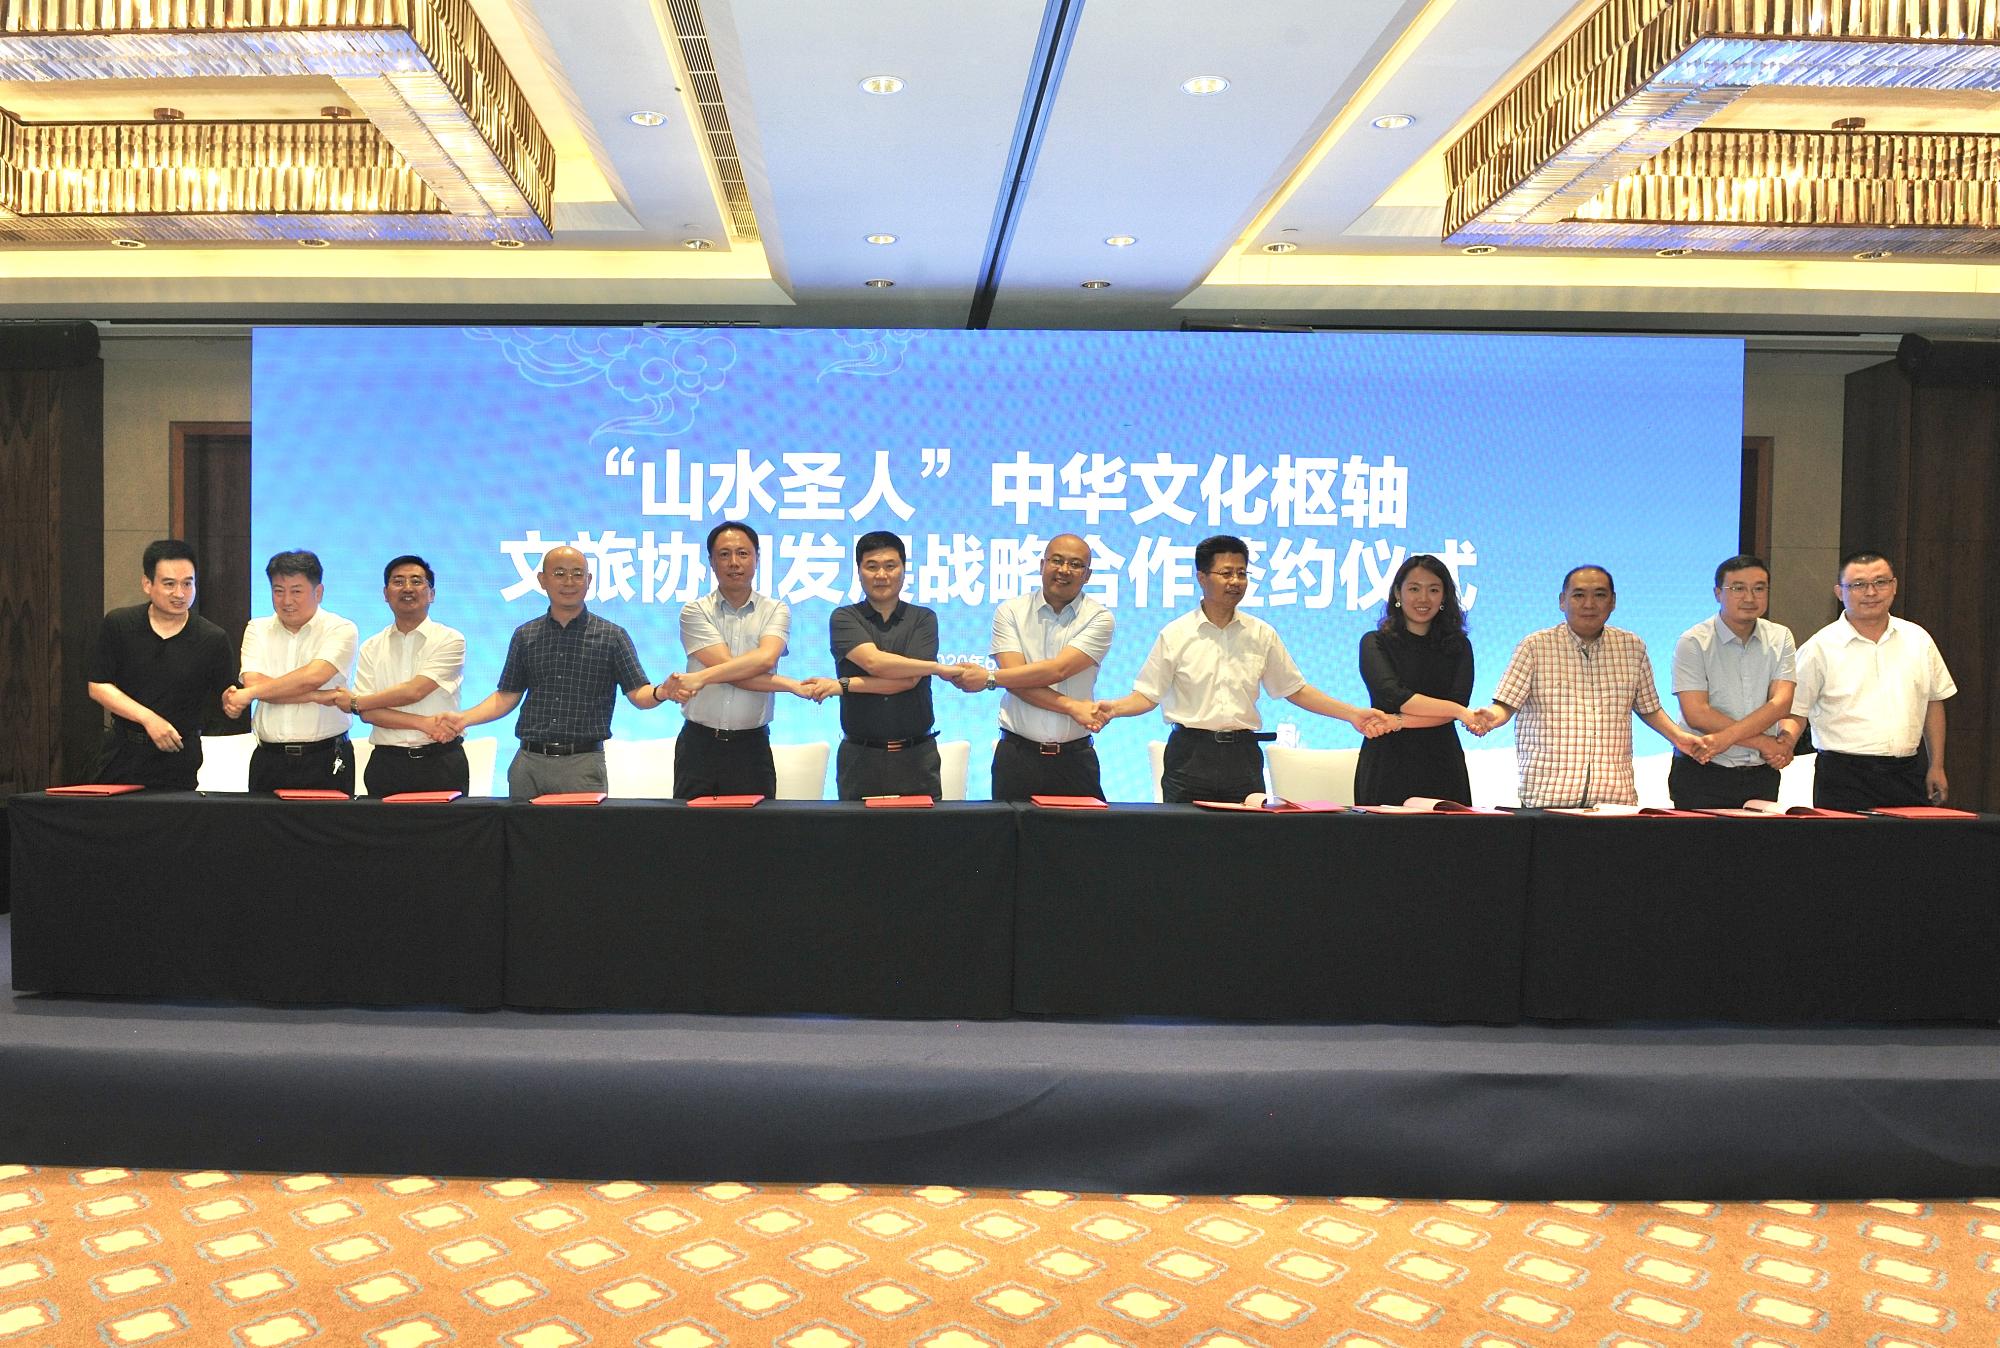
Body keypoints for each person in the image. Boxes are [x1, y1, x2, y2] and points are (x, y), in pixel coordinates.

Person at [1096, 534, 1394, 803]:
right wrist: (1113, 709)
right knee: (1184, 840)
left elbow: (1295, 690)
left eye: (1242, 573)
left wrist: (1352, 714)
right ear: (1202, 577)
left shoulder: (1261, 633)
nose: (1236, 581)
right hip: (1189, 755)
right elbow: (1147, 695)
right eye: (1226, 573)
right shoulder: (1176, 634)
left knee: (1246, 840)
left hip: (1242, 757)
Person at [1472, 564, 1711, 808]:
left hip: (1614, 799)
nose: (1589, 604)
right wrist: (1490, 718)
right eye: (1578, 595)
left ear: (1613, 601)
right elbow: (1506, 704)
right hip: (1548, 797)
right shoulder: (1534, 647)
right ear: (1562, 601)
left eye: (1599, 595)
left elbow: (1649, 708)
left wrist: (1678, 737)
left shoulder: (1632, 647)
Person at [444, 543, 665, 800]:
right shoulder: (525, 635)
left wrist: (662, 692)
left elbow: (639, 694)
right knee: (520, 828)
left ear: (589, 580)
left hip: (582, 765)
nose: (569, 581)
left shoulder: (612, 636)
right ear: (542, 580)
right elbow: (506, 696)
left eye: (577, 574)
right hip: (528, 763)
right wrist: (463, 719)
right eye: (559, 573)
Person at [803, 530, 968, 799]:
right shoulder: (844, 617)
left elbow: (909, 680)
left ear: (904, 569)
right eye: (872, 566)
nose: (882, 575)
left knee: (926, 828)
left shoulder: (923, 618)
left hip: (917, 756)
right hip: (860, 757)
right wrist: (937, 668)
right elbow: (875, 663)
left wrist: (843, 685)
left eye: (890, 566)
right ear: (859, 571)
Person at [1787, 551, 1955, 809]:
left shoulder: (1918, 639)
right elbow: (1795, 711)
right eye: (1858, 585)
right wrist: (1782, 748)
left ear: (1894, 586)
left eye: (1880, 582)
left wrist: (1937, 765)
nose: (1871, 592)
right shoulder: (1819, 648)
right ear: (1839, 592)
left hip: (1907, 772)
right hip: (1843, 775)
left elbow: (1933, 703)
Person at [660, 521, 815, 798]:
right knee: (689, 824)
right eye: (724, 554)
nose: (734, 562)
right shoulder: (695, 611)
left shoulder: (775, 610)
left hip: (751, 747)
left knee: (755, 826)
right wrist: (790, 684)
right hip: (698, 745)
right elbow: (729, 669)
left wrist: (700, 678)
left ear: (757, 558)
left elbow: (765, 659)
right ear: (711, 562)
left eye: (743, 553)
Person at [955, 533, 1115, 801]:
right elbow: (1016, 682)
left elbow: (1058, 670)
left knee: (1086, 830)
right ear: (1042, 565)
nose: (1064, 570)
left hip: (1075, 759)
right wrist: (1072, 707)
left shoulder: (1099, 617)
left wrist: (990, 678)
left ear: (1087, 575)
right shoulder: (1011, 611)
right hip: (1017, 757)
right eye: (1057, 560)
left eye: (1076, 564)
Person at [85, 539, 239, 790]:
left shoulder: (213, 638)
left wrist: (234, 699)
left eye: (187, 583)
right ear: (147, 584)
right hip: (123, 751)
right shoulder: (120, 624)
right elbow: (98, 686)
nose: (180, 593)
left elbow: (226, 696)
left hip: (178, 755)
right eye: (169, 584)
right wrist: (149, 719)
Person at [1667, 554, 1798, 809]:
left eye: (1759, 588)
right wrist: (1763, 743)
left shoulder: (1780, 637)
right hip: (1702, 770)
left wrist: (1724, 738)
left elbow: (1781, 702)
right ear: (1717, 593)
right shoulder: (1693, 642)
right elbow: (1697, 714)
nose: (1749, 598)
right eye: (1738, 588)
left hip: (1761, 773)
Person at [226, 549, 360, 794]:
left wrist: (251, 694)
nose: (286, 600)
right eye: (278, 591)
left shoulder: (341, 629)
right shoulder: (257, 629)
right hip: (269, 759)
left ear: (318, 592)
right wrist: (318, 696)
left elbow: (313, 677)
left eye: (296, 591)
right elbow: (254, 683)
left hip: (326, 757)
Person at [335, 555, 469, 798]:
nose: (407, 588)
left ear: (432, 594)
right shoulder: (371, 647)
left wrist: (356, 702)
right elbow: (369, 714)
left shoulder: (450, 639)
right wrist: (423, 723)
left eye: (416, 581)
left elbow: (414, 691)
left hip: (441, 761)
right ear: (385, 594)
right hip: (387, 764)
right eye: (398, 582)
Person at [1353, 553, 1482, 805]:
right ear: (1398, 593)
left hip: (1443, 760)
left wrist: (1398, 721)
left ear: (1444, 596)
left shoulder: (1459, 646)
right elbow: (1396, 697)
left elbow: (1455, 704)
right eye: (1414, 589)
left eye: (1433, 590)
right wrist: (1457, 711)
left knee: (1450, 828)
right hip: (1387, 761)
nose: (1423, 598)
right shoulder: (1374, 642)